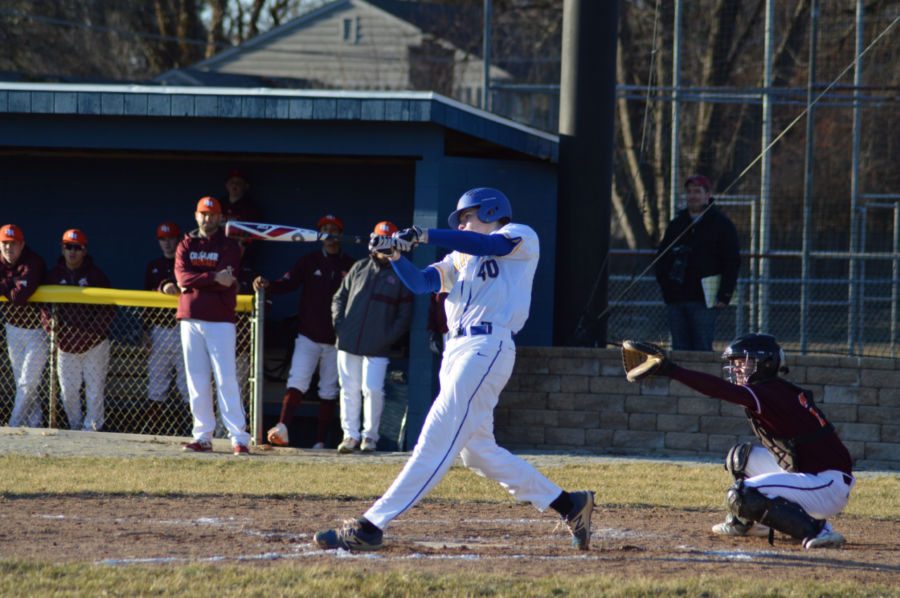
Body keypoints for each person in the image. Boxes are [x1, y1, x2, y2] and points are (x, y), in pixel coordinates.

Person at [314, 188, 594, 552]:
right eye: (461, 219)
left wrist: (423, 234)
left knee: (434, 439)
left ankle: (371, 525)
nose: (462, 223)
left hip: (487, 346)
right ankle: (570, 504)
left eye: (467, 216)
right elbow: (421, 282)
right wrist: (395, 254)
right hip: (456, 352)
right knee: (478, 454)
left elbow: (489, 247)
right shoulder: (460, 255)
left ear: (492, 209)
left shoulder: (521, 236)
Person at [626, 333, 853, 549]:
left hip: (826, 486)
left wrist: (671, 370)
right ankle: (752, 525)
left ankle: (818, 531)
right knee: (740, 458)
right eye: (734, 362)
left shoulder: (769, 391)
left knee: (741, 494)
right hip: (814, 474)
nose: (736, 368)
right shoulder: (776, 389)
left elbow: (718, 389)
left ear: (764, 362)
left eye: (743, 362)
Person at [255, 215, 355, 449]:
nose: (330, 233)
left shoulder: (351, 265)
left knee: (329, 389)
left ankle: (320, 442)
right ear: (318, 234)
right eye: (325, 229)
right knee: (297, 381)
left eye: (334, 229)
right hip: (308, 334)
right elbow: (288, 283)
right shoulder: (309, 260)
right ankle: (282, 428)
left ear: (341, 233)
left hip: (337, 339)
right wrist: (269, 284)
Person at [163, 197, 250, 455]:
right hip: (190, 317)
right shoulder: (185, 245)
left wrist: (197, 281)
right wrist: (212, 277)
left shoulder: (229, 246)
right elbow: (181, 277)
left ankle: (239, 439)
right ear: (196, 215)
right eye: (204, 214)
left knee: (226, 379)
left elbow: (227, 280)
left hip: (220, 319)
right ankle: (202, 437)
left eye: (212, 214)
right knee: (197, 379)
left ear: (220, 218)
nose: (208, 218)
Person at [331, 221, 413, 454]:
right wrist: (340, 326)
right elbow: (339, 298)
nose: (382, 246)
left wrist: (387, 337)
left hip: (378, 345)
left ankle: (370, 437)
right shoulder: (359, 267)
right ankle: (350, 436)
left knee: (373, 389)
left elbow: (405, 314)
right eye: (379, 240)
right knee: (348, 388)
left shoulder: (401, 273)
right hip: (348, 341)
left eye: (387, 241)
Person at [655, 174, 740, 351]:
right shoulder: (676, 225)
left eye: (697, 191)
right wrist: (667, 289)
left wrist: (725, 293)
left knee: (702, 348)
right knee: (678, 349)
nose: (692, 196)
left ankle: (702, 380)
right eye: (689, 191)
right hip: (676, 300)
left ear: (707, 194)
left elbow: (732, 261)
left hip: (705, 300)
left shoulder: (722, 225)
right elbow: (661, 259)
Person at [42, 229, 115, 432]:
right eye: (68, 247)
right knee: (68, 391)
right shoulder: (53, 276)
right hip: (66, 344)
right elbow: (44, 308)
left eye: (77, 248)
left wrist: (90, 335)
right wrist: (53, 330)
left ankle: (92, 429)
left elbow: (109, 309)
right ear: (63, 249)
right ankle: (76, 427)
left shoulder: (96, 275)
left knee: (94, 391)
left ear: (84, 251)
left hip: (94, 345)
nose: (72, 252)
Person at [0, 225, 48, 427]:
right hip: (12, 328)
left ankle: (14, 425)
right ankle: (35, 423)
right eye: (4, 243)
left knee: (27, 383)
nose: (8, 248)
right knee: (24, 383)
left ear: (22, 244)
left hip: (37, 331)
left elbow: (19, 298)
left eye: (13, 244)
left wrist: (4, 284)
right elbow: (17, 291)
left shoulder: (33, 262)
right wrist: (14, 282)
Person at [144, 222, 189, 433]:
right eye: (163, 239)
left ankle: (195, 428)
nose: (168, 243)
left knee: (188, 386)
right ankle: (155, 430)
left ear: (179, 239)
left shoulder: (187, 262)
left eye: (171, 238)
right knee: (156, 384)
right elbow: (145, 303)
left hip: (184, 329)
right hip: (159, 330)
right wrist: (145, 332)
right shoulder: (153, 265)